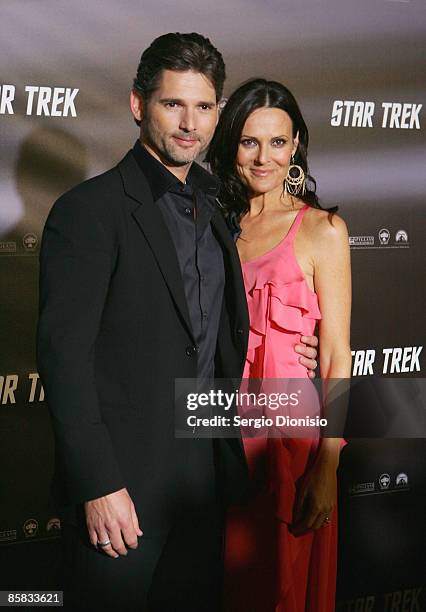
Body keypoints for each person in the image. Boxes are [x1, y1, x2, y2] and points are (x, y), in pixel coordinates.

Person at [37, 35, 318, 611]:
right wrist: (97, 485)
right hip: (120, 495)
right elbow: (64, 360)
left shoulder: (216, 211)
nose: (190, 124)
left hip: (201, 492)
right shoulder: (88, 212)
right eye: (173, 105)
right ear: (139, 105)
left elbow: (217, 338)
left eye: (205, 107)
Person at [207, 79, 352, 611]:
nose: (263, 156)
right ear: (231, 146)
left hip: (290, 445)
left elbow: (337, 356)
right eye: (249, 141)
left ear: (296, 146)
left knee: (280, 591)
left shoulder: (323, 230)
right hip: (217, 435)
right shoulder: (216, 224)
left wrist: (328, 466)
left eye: (277, 141)